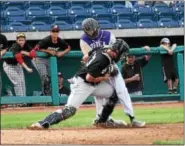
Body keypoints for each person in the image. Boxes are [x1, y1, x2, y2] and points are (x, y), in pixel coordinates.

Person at [29, 39, 129, 129]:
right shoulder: (102, 59)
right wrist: (105, 77)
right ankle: (42, 123)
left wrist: (90, 64)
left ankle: (102, 120)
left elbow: (86, 56)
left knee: (114, 93)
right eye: (121, 53)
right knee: (69, 111)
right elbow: (89, 78)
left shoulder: (103, 48)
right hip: (83, 84)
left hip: (94, 83)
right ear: (117, 52)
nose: (121, 56)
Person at [80, 18, 145, 127]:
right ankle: (101, 119)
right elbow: (87, 56)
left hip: (111, 65)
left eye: (93, 31)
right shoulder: (84, 39)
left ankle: (132, 118)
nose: (91, 34)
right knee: (99, 94)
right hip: (97, 67)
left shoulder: (108, 35)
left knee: (122, 90)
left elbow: (116, 52)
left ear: (97, 27)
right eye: (88, 32)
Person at [32, 25, 71, 95]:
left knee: (51, 78)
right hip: (39, 59)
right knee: (45, 78)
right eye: (53, 31)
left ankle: (50, 95)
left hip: (49, 60)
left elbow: (68, 47)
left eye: (57, 31)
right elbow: (35, 49)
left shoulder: (60, 41)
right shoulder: (46, 40)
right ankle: (45, 97)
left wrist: (62, 53)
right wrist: (48, 51)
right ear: (50, 32)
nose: (55, 33)